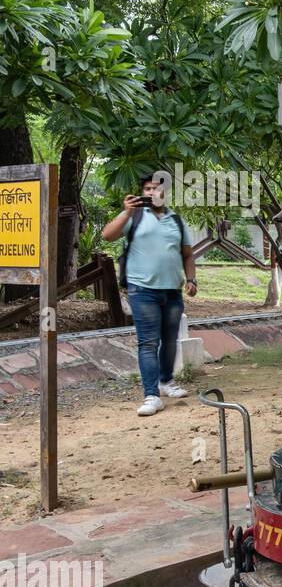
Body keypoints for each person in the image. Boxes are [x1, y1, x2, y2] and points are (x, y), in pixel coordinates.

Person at [102, 173, 198, 416]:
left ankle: (166, 382)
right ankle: (151, 395)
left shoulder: (176, 220)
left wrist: (191, 279)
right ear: (142, 192)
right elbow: (107, 235)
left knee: (170, 340)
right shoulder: (133, 216)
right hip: (141, 290)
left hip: (173, 291)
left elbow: (187, 254)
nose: (152, 192)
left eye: (157, 188)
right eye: (148, 188)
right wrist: (125, 211)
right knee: (148, 342)